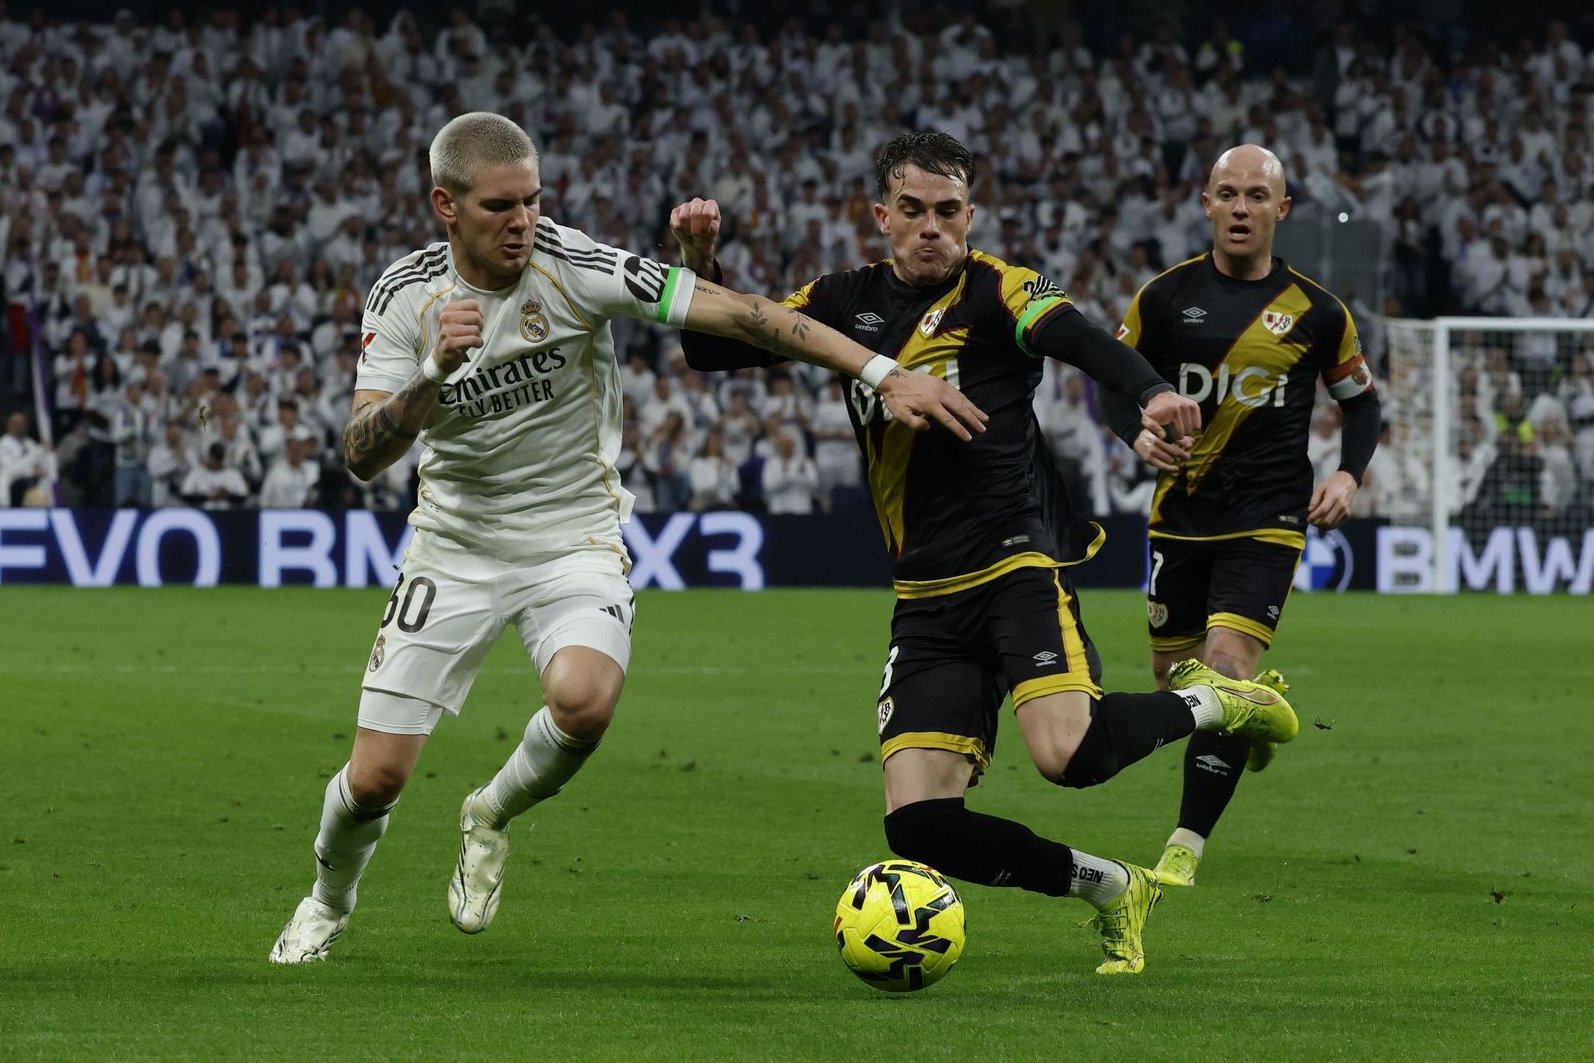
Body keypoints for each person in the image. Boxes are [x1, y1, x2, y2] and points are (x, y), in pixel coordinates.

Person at [269, 112, 982, 965]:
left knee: (585, 699)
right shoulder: (406, 297)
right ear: (445, 205)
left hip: (575, 535)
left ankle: (489, 811)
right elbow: (360, 455)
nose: (523, 221)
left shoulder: (576, 267)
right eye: (501, 206)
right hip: (453, 546)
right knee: (376, 777)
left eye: (533, 200)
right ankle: (327, 899)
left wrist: (879, 369)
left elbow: (744, 317)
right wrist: (430, 376)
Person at [675, 130, 1299, 975]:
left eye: (948, 211)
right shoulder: (839, 300)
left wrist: (1150, 389)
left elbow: (1078, 335)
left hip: (1017, 562)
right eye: (913, 211)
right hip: (926, 589)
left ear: (970, 215)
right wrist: (696, 258)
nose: (932, 228)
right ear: (880, 216)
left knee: (1065, 755)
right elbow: (712, 346)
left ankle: (1221, 703)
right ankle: (1113, 887)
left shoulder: (1001, 288)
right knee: (919, 825)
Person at [1100, 145, 1381, 888]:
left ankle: (1184, 847)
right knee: (1175, 683)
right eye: (1227, 193)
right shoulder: (1162, 298)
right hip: (1179, 517)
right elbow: (1110, 380)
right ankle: (1255, 716)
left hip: (1269, 515)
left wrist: (1350, 473)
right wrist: (1133, 431)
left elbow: (1363, 402)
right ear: (1205, 202)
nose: (1240, 207)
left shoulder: (1318, 312)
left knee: (1222, 671)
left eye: (1257, 195)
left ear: (1281, 210)